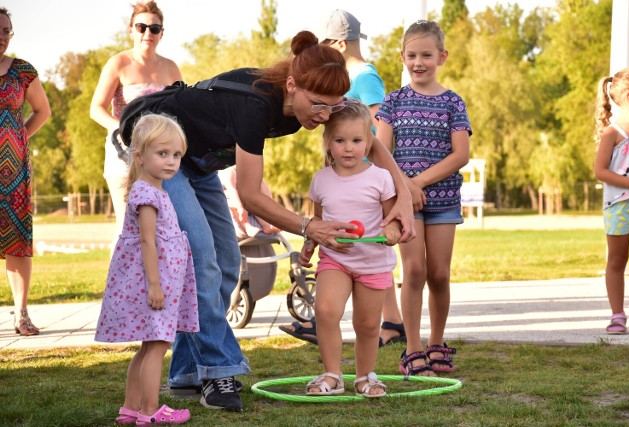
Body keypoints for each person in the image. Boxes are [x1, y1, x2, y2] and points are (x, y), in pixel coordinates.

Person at [137, 30, 414, 412]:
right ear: (291, 86)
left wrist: (402, 194)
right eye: (317, 105)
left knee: (226, 262)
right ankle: (219, 370)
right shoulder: (254, 105)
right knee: (201, 258)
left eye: (330, 108)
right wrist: (308, 226)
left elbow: (365, 131)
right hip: (157, 147)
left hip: (198, 162)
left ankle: (186, 372)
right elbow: (251, 195)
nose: (323, 115)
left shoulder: (321, 99)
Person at [279, 9, 406, 348]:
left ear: (338, 42)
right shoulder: (348, 78)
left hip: (363, 177)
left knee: (371, 262)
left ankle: (388, 322)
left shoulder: (363, 77)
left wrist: (388, 179)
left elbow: (378, 131)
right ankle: (383, 321)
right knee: (354, 261)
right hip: (343, 175)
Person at [376, 20, 471, 376]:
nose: (419, 62)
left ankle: (436, 343)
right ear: (402, 57)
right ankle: (412, 348)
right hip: (406, 204)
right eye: (412, 55)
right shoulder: (393, 102)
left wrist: (418, 182)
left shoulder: (453, 102)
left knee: (439, 274)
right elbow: (381, 152)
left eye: (426, 55)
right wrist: (406, 188)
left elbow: (460, 154)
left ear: (441, 57)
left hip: (444, 201)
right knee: (413, 270)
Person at [94, 114, 198, 425]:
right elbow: (147, 243)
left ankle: (130, 408)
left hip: (159, 281)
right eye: (162, 153)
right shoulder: (147, 194)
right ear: (139, 155)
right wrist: (155, 285)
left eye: (176, 155)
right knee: (157, 345)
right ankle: (151, 411)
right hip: (153, 283)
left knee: (148, 345)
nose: (171, 161)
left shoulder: (153, 191)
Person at [302, 101, 401, 398]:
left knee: (368, 323)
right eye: (340, 140)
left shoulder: (380, 177)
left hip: (373, 262)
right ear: (328, 142)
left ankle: (365, 377)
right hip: (336, 259)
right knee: (326, 310)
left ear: (368, 141)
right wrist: (310, 243)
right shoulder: (321, 180)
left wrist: (392, 232)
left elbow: (391, 219)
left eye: (357, 141)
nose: (348, 148)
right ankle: (332, 374)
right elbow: (317, 221)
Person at [90, 0, 182, 255]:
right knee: (127, 226)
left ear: (162, 33)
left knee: (157, 224)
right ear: (131, 30)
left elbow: (182, 111)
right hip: (125, 154)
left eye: (154, 29)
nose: (147, 34)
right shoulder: (118, 63)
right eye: (141, 27)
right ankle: (118, 291)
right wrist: (121, 131)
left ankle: (151, 287)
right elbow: (96, 108)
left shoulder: (171, 67)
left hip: (160, 156)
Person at [0, 7, 51, 336]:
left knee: (17, 242)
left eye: (7, 31)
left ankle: (21, 314)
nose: (2, 37)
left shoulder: (22, 71)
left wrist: (16, 140)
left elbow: (42, 112)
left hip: (15, 173)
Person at [593, 66, 629, 335]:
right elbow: (600, 171)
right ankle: (618, 315)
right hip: (620, 207)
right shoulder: (612, 134)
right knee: (617, 261)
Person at [219, 165, 280, 239]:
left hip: (246, 202)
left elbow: (262, 186)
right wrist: (240, 207)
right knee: (230, 201)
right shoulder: (228, 171)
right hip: (232, 203)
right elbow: (232, 190)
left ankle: (266, 224)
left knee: (255, 201)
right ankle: (246, 226)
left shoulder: (246, 169)